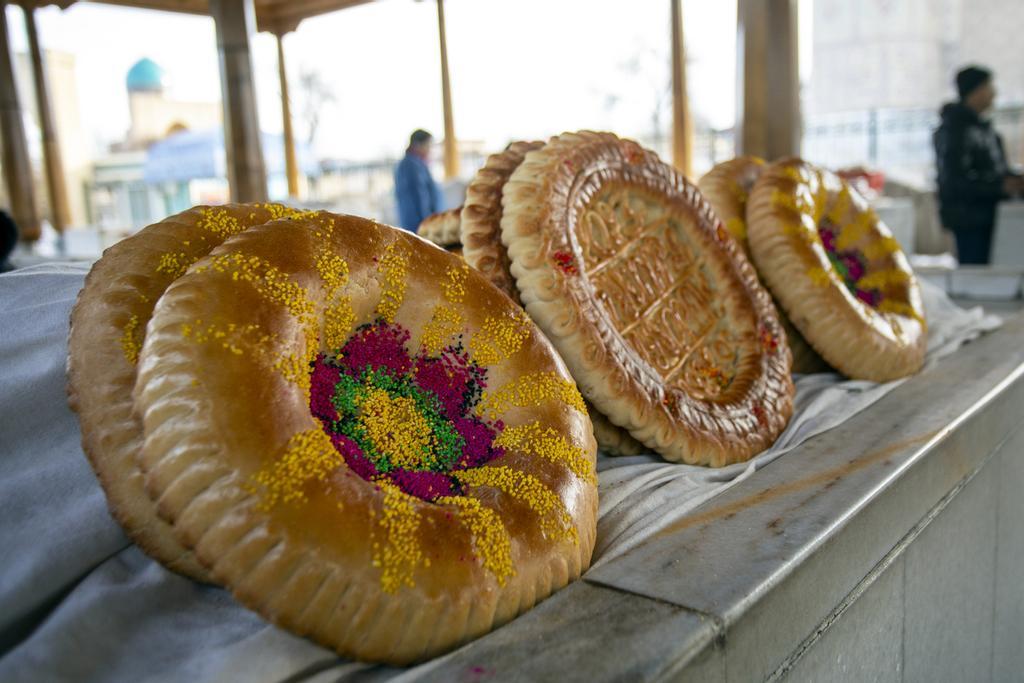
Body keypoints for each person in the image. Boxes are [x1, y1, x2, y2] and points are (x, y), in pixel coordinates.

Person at [933, 65, 1023, 264]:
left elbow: (995, 168)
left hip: (990, 214)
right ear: (977, 91)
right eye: (989, 87)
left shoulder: (983, 129)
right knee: (975, 276)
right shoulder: (956, 130)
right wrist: (1000, 186)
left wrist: (1012, 181)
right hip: (970, 218)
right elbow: (954, 180)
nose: (994, 93)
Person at [394, 129, 444, 232]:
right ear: (417, 145)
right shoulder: (411, 165)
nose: (430, 149)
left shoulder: (415, 163)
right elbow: (419, 197)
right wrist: (428, 224)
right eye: (429, 145)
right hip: (420, 227)